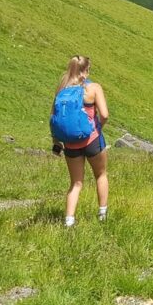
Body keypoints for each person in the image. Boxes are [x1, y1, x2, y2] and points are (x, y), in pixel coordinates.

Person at [50, 55, 109, 227]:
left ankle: (69, 221)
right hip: (92, 140)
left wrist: (57, 141)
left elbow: (54, 118)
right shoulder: (93, 88)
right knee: (101, 175)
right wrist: (97, 129)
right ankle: (102, 215)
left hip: (70, 144)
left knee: (76, 183)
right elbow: (104, 115)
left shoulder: (62, 89)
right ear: (87, 70)